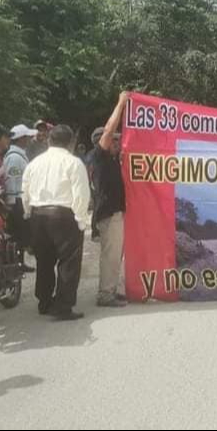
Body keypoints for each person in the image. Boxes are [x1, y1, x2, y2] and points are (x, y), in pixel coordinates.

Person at [23, 125, 92, 321]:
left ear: (48, 141)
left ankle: (44, 302)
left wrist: (28, 212)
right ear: (70, 142)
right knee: (69, 261)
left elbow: (25, 190)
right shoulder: (73, 162)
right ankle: (63, 305)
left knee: (44, 260)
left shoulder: (34, 163)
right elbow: (81, 194)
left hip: (38, 215)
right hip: (63, 215)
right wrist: (80, 220)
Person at [91, 92, 131, 308]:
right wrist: (121, 103)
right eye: (113, 139)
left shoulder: (112, 160)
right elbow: (108, 129)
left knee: (115, 255)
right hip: (109, 214)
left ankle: (111, 290)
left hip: (114, 213)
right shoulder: (100, 155)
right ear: (103, 141)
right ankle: (106, 294)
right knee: (111, 255)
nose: (117, 142)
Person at [3, 124, 37, 272]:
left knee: (21, 233)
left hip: (20, 199)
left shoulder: (20, 155)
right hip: (16, 200)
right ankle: (16, 263)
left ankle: (20, 262)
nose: (29, 140)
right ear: (21, 139)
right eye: (27, 137)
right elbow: (12, 181)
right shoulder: (15, 158)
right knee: (17, 233)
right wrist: (11, 204)